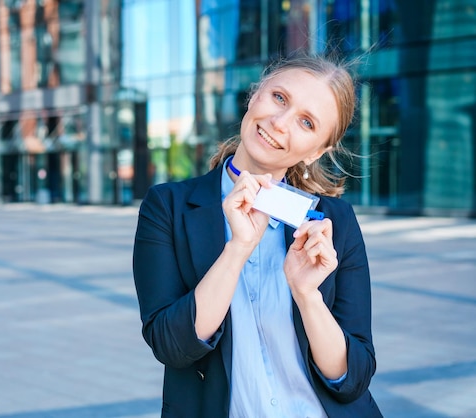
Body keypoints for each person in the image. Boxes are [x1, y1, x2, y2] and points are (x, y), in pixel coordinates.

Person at [132, 52, 383, 418]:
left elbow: (355, 377)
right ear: (255, 94)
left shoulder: (335, 222)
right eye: (279, 97)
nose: (280, 122)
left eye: (307, 123)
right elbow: (171, 346)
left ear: (317, 151)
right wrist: (238, 249)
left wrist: (307, 295)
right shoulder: (167, 206)